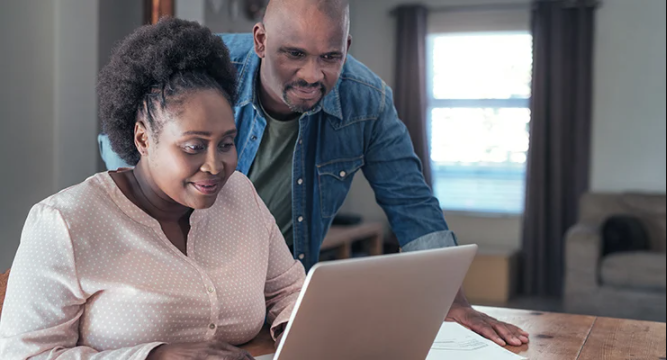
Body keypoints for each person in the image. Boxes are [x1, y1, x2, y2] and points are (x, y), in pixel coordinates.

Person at [100, 0, 530, 347]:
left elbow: (411, 203)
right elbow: (131, 160)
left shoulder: (368, 102)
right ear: (261, 40)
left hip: (282, 295)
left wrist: (451, 302)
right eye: (295, 54)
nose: (312, 74)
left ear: (347, 44)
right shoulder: (201, 75)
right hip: (185, 288)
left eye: (330, 57)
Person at [0, 18, 305, 360]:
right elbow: (22, 355)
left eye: (227, 143)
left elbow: (290, 290)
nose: (215, 166)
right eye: (193, 147)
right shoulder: (65, 223)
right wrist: (154, 355)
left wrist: (299, 332)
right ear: (143, 138)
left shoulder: (240, 194)